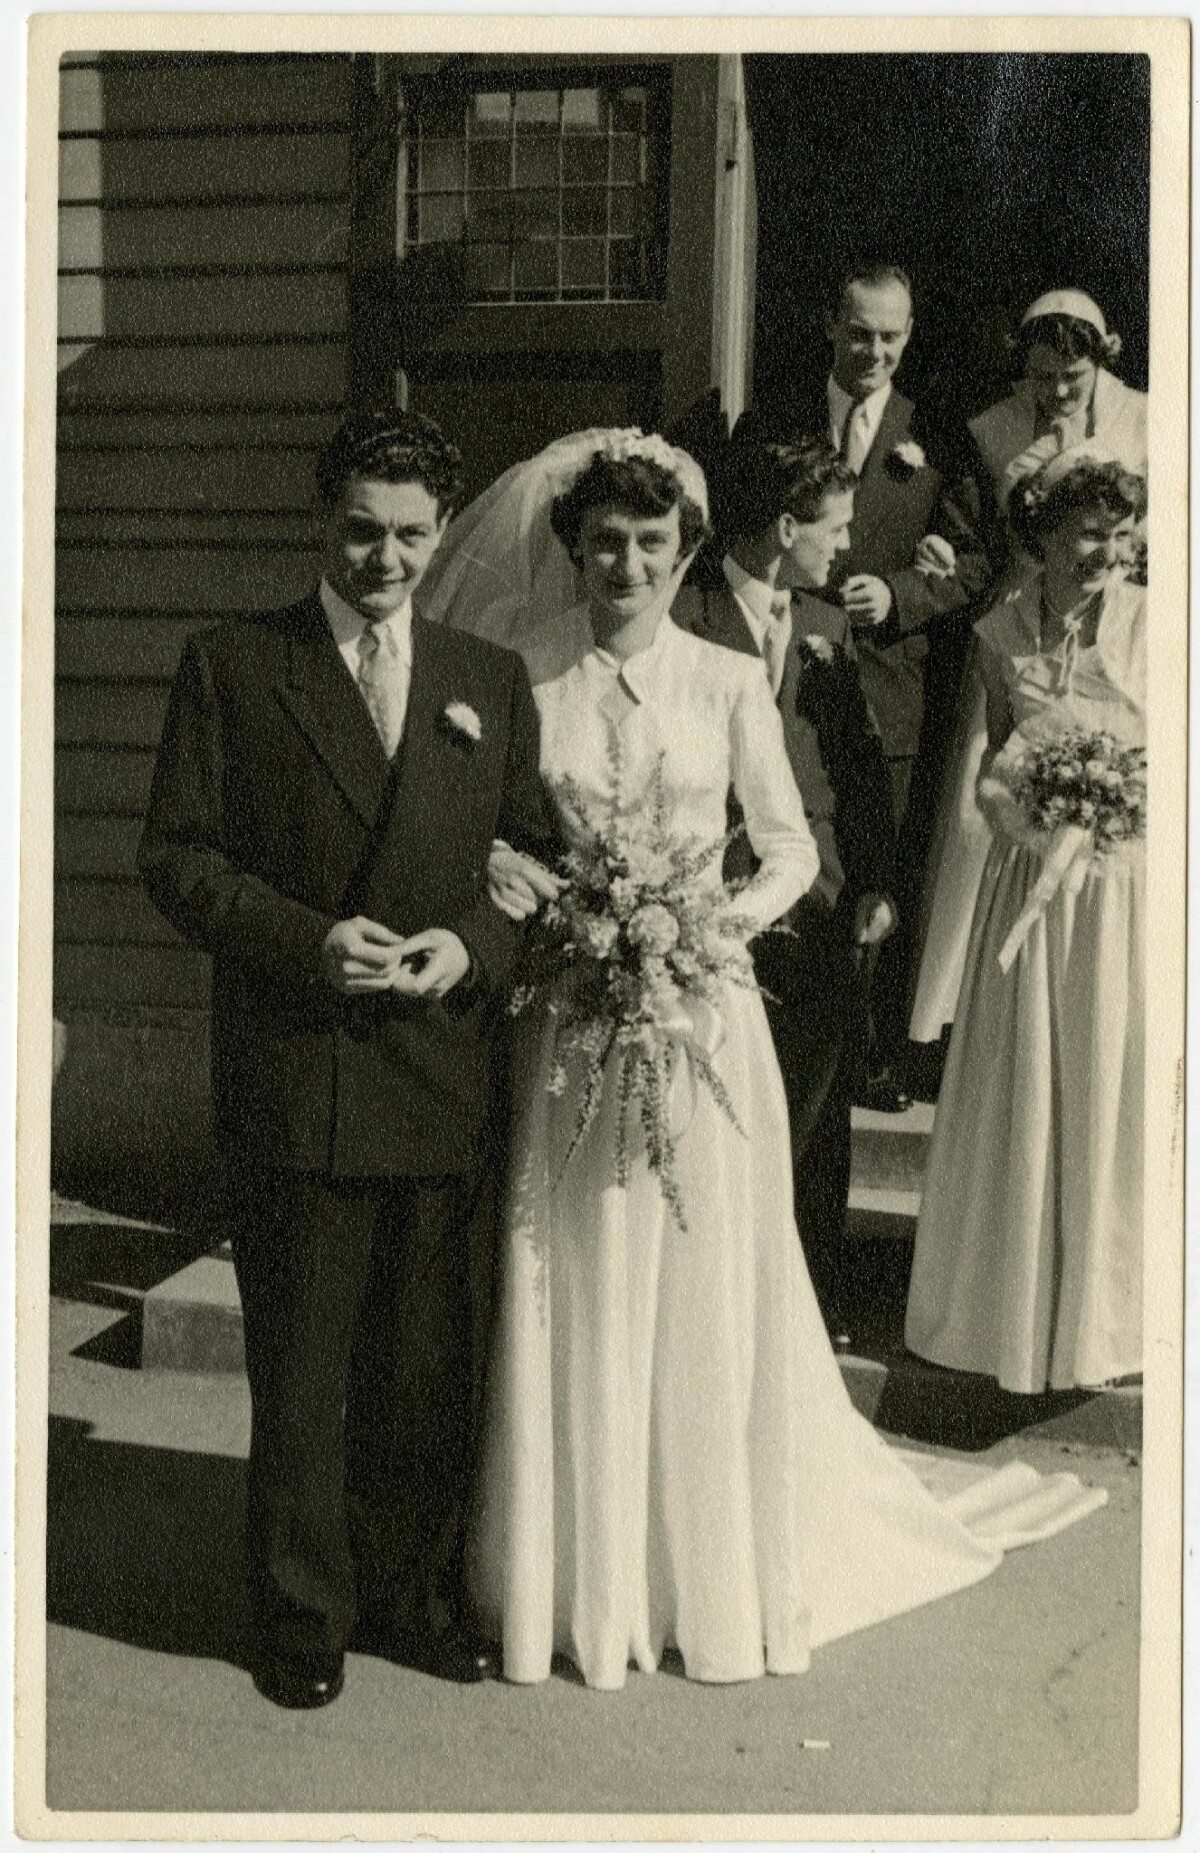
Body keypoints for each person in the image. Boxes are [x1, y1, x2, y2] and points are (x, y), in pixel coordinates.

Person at [426, 429, 1106, 1693]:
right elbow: (489, 838)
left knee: (690, 1276)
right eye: (604, 543)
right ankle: (573, 1568)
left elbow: (789, 845)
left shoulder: (724, 676)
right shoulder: (523, 674)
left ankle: (698, 1563)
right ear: (573, 550)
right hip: (569, 1014)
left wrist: (703, 925)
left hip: (698, 1016)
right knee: (567, 1263)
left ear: (682, 551)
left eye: (649, 543)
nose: (625, 563)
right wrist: (555, 908)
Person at [138, 412, 558, 1710]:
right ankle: (303, 1616)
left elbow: (539, 868)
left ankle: (413, 1598)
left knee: (424, 1373)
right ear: (324, 522)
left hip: (438, 1076)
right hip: (299, 1074)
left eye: (412, 535)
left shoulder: (489, 679)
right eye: (363, 531)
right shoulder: (234, 666)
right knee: (307, 1375)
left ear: (443, 533)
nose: (385, 559)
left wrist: (470, 948)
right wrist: (312, 940)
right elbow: (180, 859)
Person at [905, 452, 1146, 1394]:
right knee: (1026, 1082)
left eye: (1120, 535)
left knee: (1108, 1077)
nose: (1106, 552)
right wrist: (1031, 808)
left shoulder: (1158, 616)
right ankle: (1002, 1309)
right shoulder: (1001, 629)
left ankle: (1106, 1318)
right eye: (1088, 533)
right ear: (1043, 537)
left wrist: (1120, 804)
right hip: (1028, 891)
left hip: (1122, 890)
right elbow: (991, 763)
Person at [673, 432, 896, 1343]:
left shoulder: (827, 627)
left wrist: (874, 880)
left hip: (818, 898)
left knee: (815, 1102)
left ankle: (810, 1299)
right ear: (783, 525)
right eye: (833, 529)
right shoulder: (683, 613)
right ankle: (716, 1296)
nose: (844, 549)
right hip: (708, 899)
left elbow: (859, 767)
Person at [909, 290, 1148, 1061]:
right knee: (985, 825)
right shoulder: (991, 430)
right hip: (1019, 633)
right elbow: (973, 537)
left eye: (1071, 376)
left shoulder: (1147, 418)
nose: (1055, 392)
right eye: (1041, 376)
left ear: (1100, 361)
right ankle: (956, 1017)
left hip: (1114, 637)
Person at [779, 261, 969, 1111]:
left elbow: (973, 561)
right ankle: (805, 1038)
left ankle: (872, 1054)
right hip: (792, 678)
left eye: (892, 337)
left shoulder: (934, 435)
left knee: (879, 864)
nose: (875, 351)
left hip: (889, 688)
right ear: (831, 326)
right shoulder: (779, 419)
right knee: (808, 853)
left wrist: (901, 593)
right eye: (861, 333)